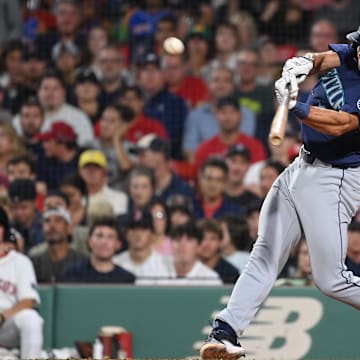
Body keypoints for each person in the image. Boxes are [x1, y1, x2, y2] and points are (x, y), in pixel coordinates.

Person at [199, 27, 360, 359]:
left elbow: (342, 123)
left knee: (332, 279)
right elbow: (323, 60)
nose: (358, 52)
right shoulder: (350, 55)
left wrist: (296, 106)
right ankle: (226, 333)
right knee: (266, 251)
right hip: (302, 166)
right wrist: (300, 65)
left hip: (336, 178)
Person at [0, 206, 43, 359]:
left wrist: (4, 316)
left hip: (6, 325)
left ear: (3, 231)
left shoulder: (20, 262)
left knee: (31, 318)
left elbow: (28, 301)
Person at [62, 217, 135, 283]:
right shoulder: (73, 274)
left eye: (110, 237)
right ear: (89, 241)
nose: (104, 242)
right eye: (99, 235)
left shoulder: (126, 279)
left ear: (118, 245)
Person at [30, 206, 86, 283]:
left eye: (58, 220)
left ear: (69, 228)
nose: (52, 225)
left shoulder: (82, 261)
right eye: (47, 221)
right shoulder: (33, 263)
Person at [197, 219, 239, 284]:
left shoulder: (230, 272)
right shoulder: (187, 268)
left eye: (213, 239)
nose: (207, 244)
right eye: (203, 238)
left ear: (220, 242)